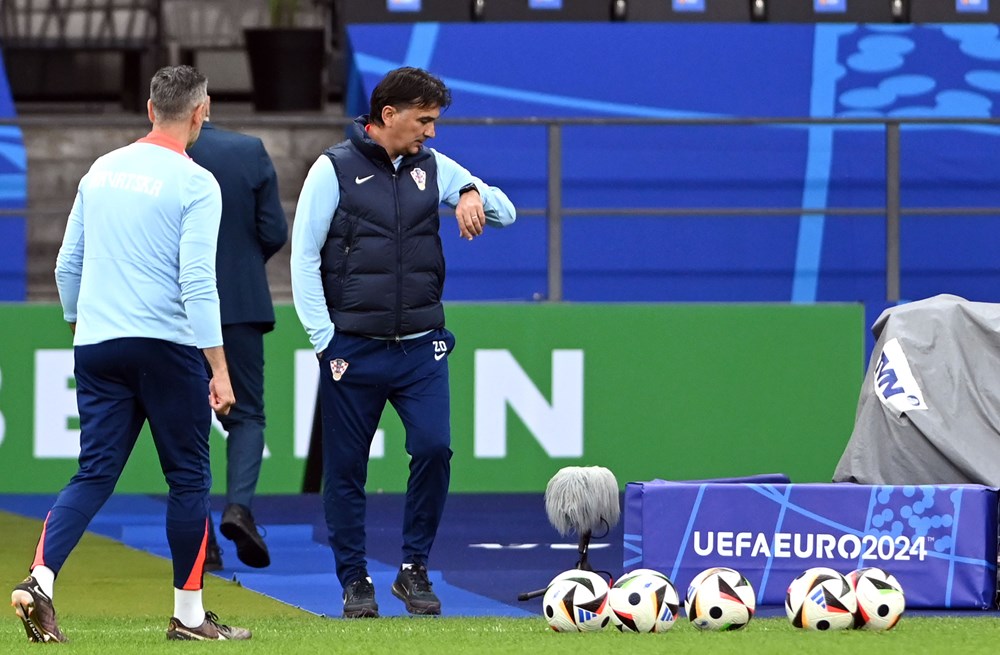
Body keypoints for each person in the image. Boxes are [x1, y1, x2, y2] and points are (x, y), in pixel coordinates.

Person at [9, 65, 250, 642]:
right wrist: (219, 367)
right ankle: (189, 617)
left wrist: (81, 324)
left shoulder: (101, 169)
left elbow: (67, 265)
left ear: (149, 109)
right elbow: (197, 282)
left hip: (97, 343)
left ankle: (40, 580)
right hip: (165, 346)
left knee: (94, 472)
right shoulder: (197, 183)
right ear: (201, 113)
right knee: (188, 478)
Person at [290, 66, 516, 618]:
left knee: (435, 449)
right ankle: (354, 579)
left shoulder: (434, 167)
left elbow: (506, 213)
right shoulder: (331, 169)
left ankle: (414, 569)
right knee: (346, 470)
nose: (431, 132)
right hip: (353, 349)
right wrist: (326, 342)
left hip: (421, 348)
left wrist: (471, 191)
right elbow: (303, 257)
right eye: (424, 120)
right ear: (388, 115)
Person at [187, 114, 288, 571]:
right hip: (239, 303)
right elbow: (274, 232)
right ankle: (239, 508)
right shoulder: (248, 151)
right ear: (204, 104)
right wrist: (241, 263)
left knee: (184, 423)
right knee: (246, 416)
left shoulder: (148, 156)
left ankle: (200, 537)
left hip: (174, 310)